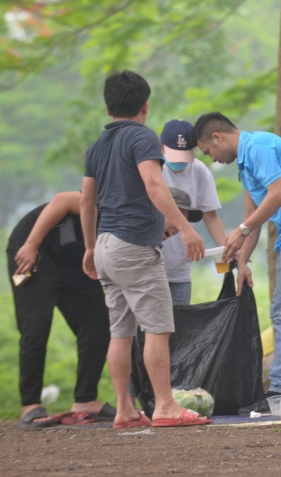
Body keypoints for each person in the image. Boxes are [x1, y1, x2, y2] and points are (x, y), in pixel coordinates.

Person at [81, 70, 210, 428]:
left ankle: (124, 409)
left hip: (106, 245)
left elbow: (87, 202)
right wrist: (186, 228)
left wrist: (90, 248)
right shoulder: (142, 137)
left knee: (120, 331)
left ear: (108, 108)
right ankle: (165, 406)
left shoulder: (97, 147)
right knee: (158, 328)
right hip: (134, 246)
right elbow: (155, 186)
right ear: (145, 106)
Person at [193, 111, 281, 413]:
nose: (212, 158)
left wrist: (241, 231)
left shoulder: (258, 147)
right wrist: (242, 261)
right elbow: (251, 220)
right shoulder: (245, 166)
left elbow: (278, 195)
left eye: (208, 151)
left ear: (217, 137)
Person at [7, 193, 113, 429]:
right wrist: (31, 245)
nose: (172, 235)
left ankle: (85, 400)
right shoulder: (117, 201)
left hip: (76, 261)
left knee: (98, 325)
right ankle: (31, 405)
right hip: (35, 250)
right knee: (36, 325)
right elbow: (62, 200)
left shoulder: (146, 230)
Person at [159, 119, 226, 305]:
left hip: (180, 269)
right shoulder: (152, 169)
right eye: (175, 155)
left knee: (178, 329)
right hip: (151, 265)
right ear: (162, 146)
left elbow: (210, 216)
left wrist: (227, 250)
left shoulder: (200, 171)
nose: (180, 162)